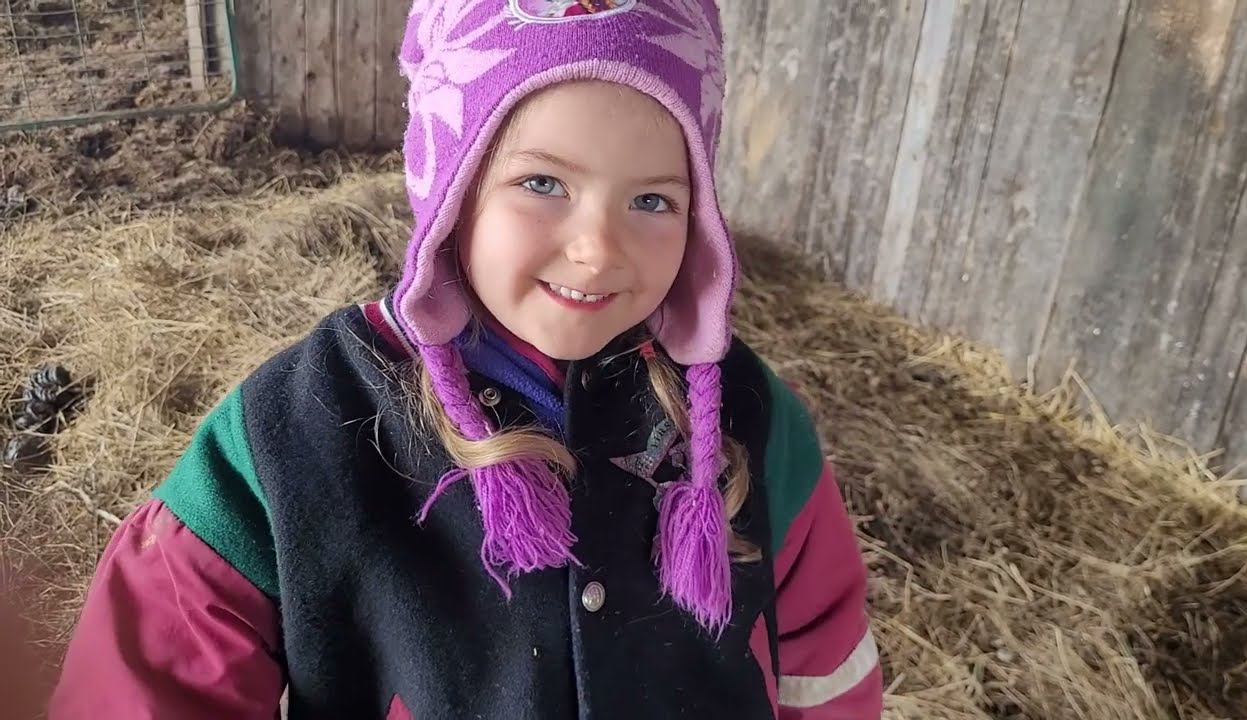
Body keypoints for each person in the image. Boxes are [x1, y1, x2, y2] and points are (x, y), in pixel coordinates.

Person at [49, 1, 882, 717]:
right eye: (544, 184)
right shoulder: (295, 428)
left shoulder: (752, 422)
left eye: (652, 199)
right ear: (450, 182)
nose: (598, 249)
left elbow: (826, 669)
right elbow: (150, 678)